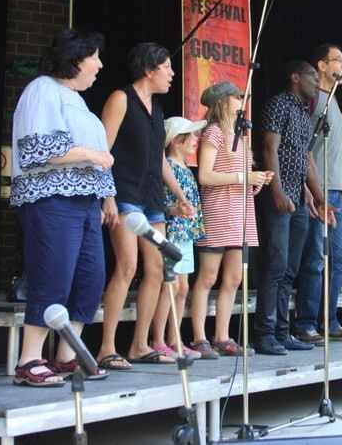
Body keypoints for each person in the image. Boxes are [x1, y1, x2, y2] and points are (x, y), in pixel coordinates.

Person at [10, 28, 114, 386]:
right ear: (75, 60)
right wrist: (91, 154)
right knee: (52, 274)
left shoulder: (75, 99)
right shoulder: (42, 90)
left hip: (84, 203)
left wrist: (102, 198)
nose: (100, 65)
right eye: (95, 57)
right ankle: (29, 360)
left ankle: (67, 354)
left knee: (90, 277)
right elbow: (37, 149)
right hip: (52, 199)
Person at [98, 42, 195, 369]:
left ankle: (140, 344)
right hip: (124, 193)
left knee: (156, 270)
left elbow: (159, 159)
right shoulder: (121, 98)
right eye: (166, 67)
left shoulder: (157, 109)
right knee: (127, 266)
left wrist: (180, 196)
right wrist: (106, 195)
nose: (172, 73)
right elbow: (103, 150)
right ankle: (107, 347)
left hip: (152, 199)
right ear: (149, 69)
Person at [253, 62, 334, 356]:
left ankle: (282, 332)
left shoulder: (303, 112)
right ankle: (264, 334)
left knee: (290, 269)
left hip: (298, 200)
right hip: (279, 195)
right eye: (312, 76)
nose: (316, 81)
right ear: (295, 76)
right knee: (275, 266)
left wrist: (321, 199)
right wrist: (275, 190)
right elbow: (269, 149)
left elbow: (306, 160)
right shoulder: (279, 104)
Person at [191, 82, 272, 358]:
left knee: (234, 278)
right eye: (237, 97)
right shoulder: (213, 132)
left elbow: (241, 175)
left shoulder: (242, 134)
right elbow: (205, 175)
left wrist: (256, 182)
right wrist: (243, 178)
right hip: (218, 211)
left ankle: (222, 336)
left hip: (241, 213)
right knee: (208, 276)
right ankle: (200, 337)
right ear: (223, 102)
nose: (242, 101)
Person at [294, 44, 342, 345]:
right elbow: (303, 147)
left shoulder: (335, 100)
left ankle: (329, 320)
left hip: (336, 191)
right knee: (314, 260)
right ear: (321, 65)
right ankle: (307, 323)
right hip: (317, 190)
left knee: (340, 259)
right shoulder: (313, 100)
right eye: (338, 60)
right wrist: (309, 189)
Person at [149, 117, 206, 361]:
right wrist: (175, 210)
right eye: (190, 137)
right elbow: (159, 201)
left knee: (183, 288)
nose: (195, 141)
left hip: (185, 234)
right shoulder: (168, 167)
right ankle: (159, 339)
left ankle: (175, 339)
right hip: (173, 233)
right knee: (170, 286)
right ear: (176, 140)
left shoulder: (184, 168)